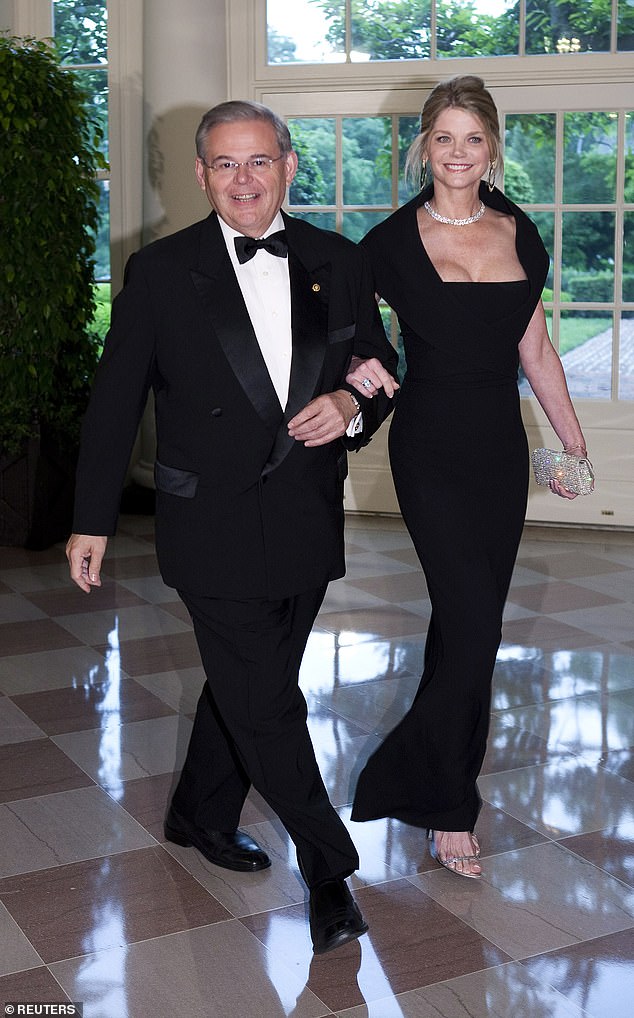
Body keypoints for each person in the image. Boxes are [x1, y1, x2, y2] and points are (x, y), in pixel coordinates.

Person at [66, 100, 399, 953]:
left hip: (302, 518)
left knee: (245, 687)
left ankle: (198, 814)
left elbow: (381, 366)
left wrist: (348, 402)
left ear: (289, 166)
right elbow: (114, 405)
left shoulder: (338, 260)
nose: (243, 180)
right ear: (200, 173)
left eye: (258, 162)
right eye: (225, 164)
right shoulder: (161, 270)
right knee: (269, 702)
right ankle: (330, 870)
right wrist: (90, 520)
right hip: (206, 522)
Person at [348, 75, 588, 878]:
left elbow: (537, 352)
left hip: (499, 450)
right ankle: (444, 801)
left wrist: (571, 447)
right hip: (429, 449)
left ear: (493, 147)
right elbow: (346, 333)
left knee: (465, 627)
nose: (458, 153)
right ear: (425, 145)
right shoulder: (388, 243)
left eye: (473, 138)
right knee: (477, 623)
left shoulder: (519, 229)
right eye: (444, 138)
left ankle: (439, 776)